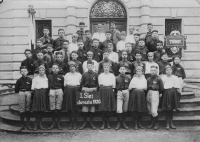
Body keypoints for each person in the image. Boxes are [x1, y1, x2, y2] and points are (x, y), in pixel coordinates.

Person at [79, 60, 99, 130]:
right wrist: (83, 89)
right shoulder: (84, 74)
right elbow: (81, 83)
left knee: (92, 108)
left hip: (93, 90)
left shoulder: (96, 74)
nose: (90, 67)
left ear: (93, 66)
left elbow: (97, 83)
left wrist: (96, 88)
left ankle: (91, 122)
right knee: (85, 108)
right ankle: (85, 122)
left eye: (91, 66)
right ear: (87, 66)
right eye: (88, 66)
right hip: (86, 90)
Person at [63, 61, 82, 130]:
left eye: (73, 66)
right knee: (70, 107)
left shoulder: (79, 75)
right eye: (71, 67)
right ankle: (70, 123)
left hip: (76, 90)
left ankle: (75, 123)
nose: (72, 68)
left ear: (75, 67)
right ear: (69, 68)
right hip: (69, 90)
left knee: (76, 108)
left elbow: (80, 83)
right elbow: (65, 84)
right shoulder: (67, 75)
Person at [161, 65, 181, 130]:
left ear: (171, 71)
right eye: (167, 70)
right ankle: (167, 123)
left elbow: (177, 87)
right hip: (166, 93)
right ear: (165, 71)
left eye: (170, 70)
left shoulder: (175, 77)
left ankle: (171, 123)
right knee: (167, 109)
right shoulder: (163, 78)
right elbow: (162, 87)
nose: (168, 71)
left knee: (171, 109)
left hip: (173, 93)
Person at [98, 63, 116, 130]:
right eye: (105, 67)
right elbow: (99, 84)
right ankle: (103, 123)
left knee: (108, 108)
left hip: (109, 91)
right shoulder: (100, 75)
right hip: (102, 91)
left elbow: (114, 86)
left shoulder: (112, 75)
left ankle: (108, 123)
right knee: (103, 108)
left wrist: (111, 92)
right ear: (103, 68)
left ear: (109, 68)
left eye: (107, 67)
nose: (106, 68)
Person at [15, 66, 32, 131]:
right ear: (20, 72)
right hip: (21, 92)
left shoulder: (30, 80)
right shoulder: (19, 80)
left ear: (27, 72)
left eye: (25, 71)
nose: (23, 72)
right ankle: (22, 124)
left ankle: (28, 124)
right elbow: (16, 90)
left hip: (28, 92)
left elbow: (32, 87)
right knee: (22, 109)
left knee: (28, 108)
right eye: (22, 71)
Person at [47, 63, 64, 130]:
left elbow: (63, 85)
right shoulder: (49, 77)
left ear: (58, 69)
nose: (55, 69)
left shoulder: (61, 77)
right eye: (53, 68)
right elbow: (48, 85)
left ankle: (58, 123)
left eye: (56, 68)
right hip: (52, 90)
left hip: (59, 90)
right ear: (52, 69)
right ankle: (53, 123)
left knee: (58, 107)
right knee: (52, 107)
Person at [146, 66, 164, 130]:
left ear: (156, 71)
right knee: (149, 109)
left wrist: (159, 93)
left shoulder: (159, 79)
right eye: (151, 70)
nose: (153, 72)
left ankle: (156, 123)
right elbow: (147, 87)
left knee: (154, 110)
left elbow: (161, 88)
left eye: (154, 70)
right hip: (149, 93)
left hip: (155, 93)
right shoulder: (148, 79)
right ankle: (152, 123)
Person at [31, 65, 49, 131]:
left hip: (44, 93)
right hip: (37, 93)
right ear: (38, 71)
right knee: (36, 110)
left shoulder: (46, 78)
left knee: (42, 110)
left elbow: (47, 87)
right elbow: (33, 88)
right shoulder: (35, 79)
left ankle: (40, 124)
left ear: (44, 71)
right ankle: (36, 124)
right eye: (40, 70)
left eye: (43, 70)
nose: (41, 72)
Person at [115, 65, 131, 130]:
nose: (122, 70)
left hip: (126, 91)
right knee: (119, 109)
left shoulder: (128, 77)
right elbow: (115, 86)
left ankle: (123, 122)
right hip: (120, 92)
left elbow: (130, 85)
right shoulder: (116, 78)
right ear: (119, 70)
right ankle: (119, 123)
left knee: (125, 108)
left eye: (123, 69)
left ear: (125, 70)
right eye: (121, 69)